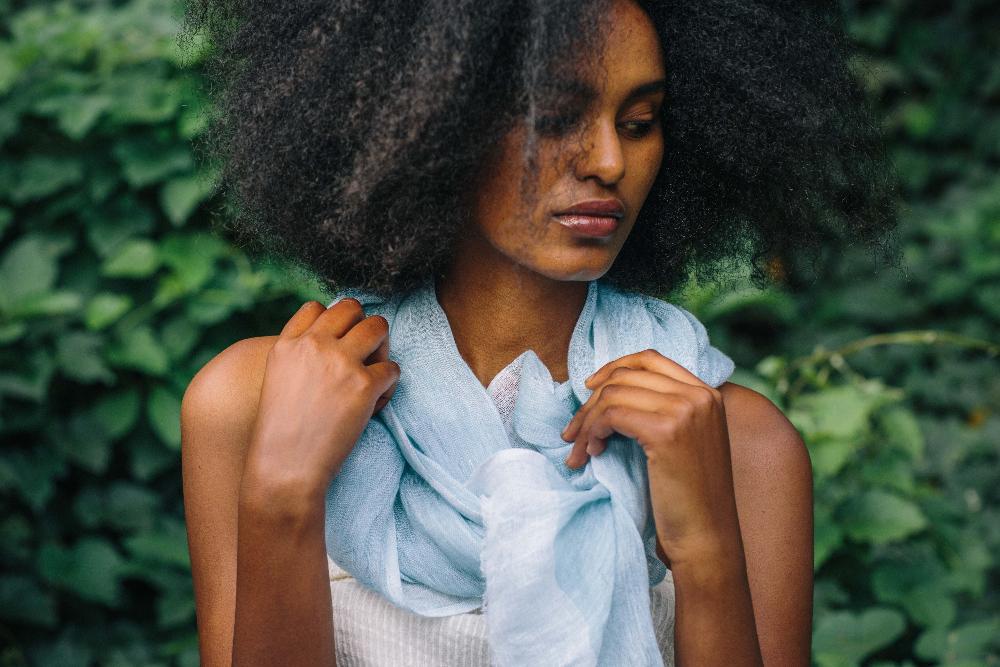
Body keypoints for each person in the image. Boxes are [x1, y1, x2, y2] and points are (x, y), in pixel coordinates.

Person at [177, 0, 897, 665]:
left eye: (640, 122)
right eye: (556, 115)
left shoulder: (739, 445)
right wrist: (283, 491)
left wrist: (706, 552)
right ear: (429, 117)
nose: (610, 160)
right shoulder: (255, 404)